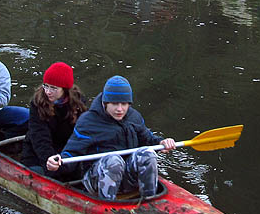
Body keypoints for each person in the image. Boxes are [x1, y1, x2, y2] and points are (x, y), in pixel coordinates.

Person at [47, 75, 175, 200]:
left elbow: (148, 139)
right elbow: (72, 153)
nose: (120, 109)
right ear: (105, 103)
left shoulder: (134, 117)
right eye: (114, 104)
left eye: (124, 104)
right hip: (97, 180)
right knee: (113, 160)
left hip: (126, 177)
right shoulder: (88, 121)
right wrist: (58, 163)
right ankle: (109, 207)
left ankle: (150, 201)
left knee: (147, 153)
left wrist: (161, 142)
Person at [20, 61, 87, 177]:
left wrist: (68, 157)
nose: (48, 92)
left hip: (66, 151)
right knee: (44, 174)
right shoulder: (37, 103)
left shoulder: (79, 103)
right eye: (46, 86)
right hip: (38, 153)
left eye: (54, 88)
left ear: (65, 89)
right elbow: (39, 137)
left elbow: (82, 134)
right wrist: (50, 161)